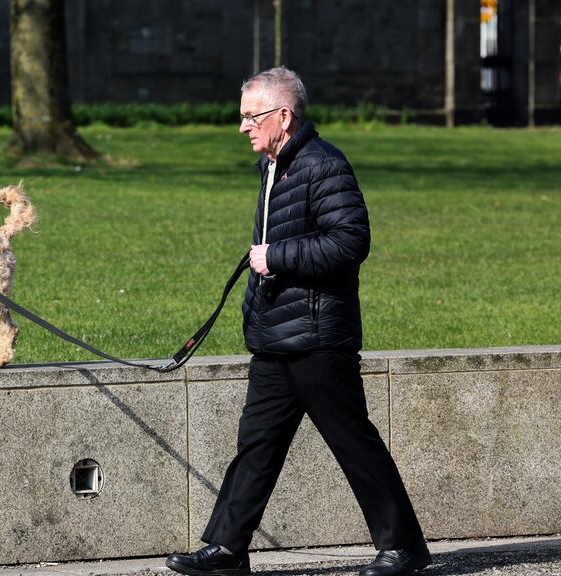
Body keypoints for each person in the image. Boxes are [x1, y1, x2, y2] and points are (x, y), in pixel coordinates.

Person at [165, 67, 430, 576]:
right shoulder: (273, 166)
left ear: (283, 116)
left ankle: (403, 548)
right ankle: (227, 548)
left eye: (251, 116)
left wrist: (277, 256)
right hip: (274, 338)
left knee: (354, 443)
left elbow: (351, 241)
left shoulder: (322, 164)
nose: (242, 126)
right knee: (256, 448)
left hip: (316, 338)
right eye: (240, 116)